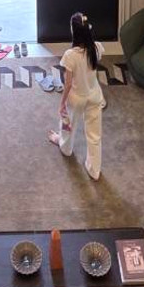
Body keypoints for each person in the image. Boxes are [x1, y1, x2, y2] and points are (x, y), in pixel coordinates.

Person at [48, 12, 106, 180]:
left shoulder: (70, 55)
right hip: (94, 96)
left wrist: (62, 103)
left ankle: (65, 147)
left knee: (68, 125)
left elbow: (67, 84)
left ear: (74, 31)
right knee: (95, 135)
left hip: (76, 98)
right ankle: (94, 170)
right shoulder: (97, 48)